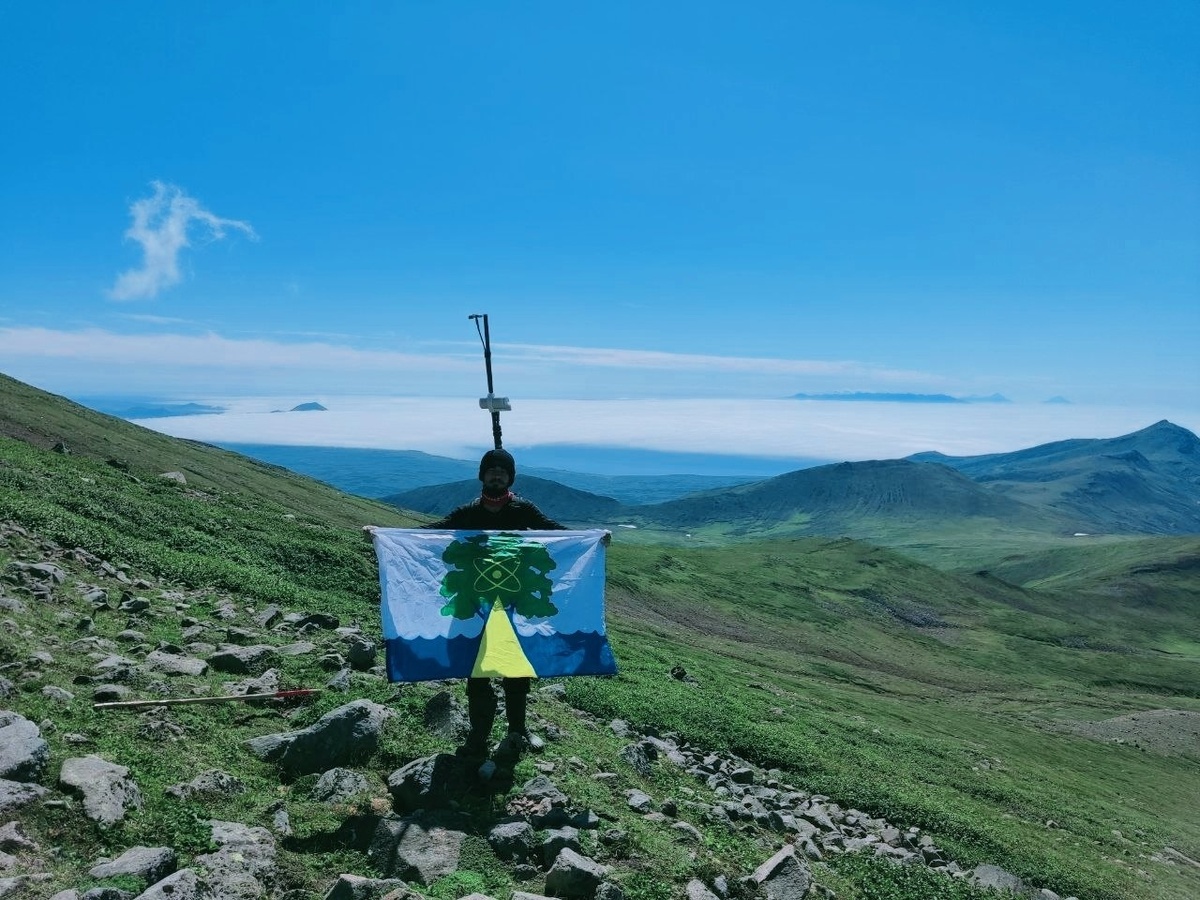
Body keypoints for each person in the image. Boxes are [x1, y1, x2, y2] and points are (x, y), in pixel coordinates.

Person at [422, 447, 566, 760]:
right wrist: (384, 535)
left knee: (515, 667)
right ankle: (478, 736)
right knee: (478, 670)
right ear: (483, 476)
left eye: (502, 471)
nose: (497, 475)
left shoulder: (523, 509)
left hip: (513, 601)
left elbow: (554, 531)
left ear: (510, 478)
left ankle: (518, 729)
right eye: (491, 470)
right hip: (476, 603)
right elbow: (434, 531)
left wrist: (594, 538)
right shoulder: (468, 511)